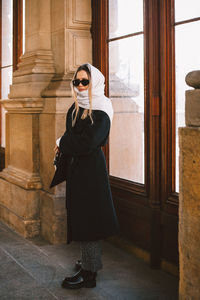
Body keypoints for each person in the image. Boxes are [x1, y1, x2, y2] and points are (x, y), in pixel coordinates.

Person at [54, 63, 119, 289]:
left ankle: (90, 274)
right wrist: (64, 144)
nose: (80, 86)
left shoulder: (102, 107)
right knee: (81, 216)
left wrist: (63, 143)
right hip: (78, 169)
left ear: (96, 83)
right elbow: (72, 136)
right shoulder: (76, 107)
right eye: (77, 82)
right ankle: (87, 260)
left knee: (89, 220)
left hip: (91, 172)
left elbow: (88, 142)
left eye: (85, 82)